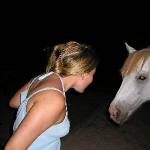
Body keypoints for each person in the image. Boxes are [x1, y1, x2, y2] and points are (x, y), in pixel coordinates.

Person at [4, 41, 99, 150]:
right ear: (84, 73)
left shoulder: (43, 78)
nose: (92, 80)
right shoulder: (53, 100)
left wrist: (37, 114)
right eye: (93, 74)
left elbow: (14, 102)